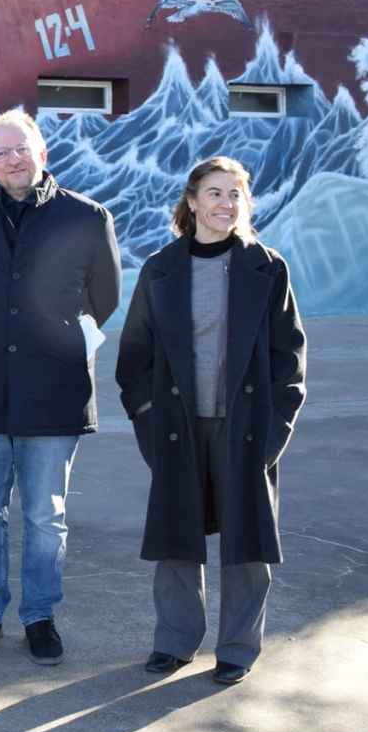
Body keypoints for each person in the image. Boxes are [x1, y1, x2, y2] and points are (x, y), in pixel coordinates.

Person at [0, 109, 121, 665]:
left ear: (43, 151)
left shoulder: (88, 218)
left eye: (22, 148)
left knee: (46, 517)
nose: (13, 159)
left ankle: (40, 616)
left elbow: (104, 299)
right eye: (2, 152)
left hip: (54, 393)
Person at [115, 156, 306, 686]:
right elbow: (135, 356)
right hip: (177, 427)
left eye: (236, 194)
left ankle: (238, 649)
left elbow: (289, 359)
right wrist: (149, 419)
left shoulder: (267, 268)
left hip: (246, 430)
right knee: (177, 540)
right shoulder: (161, 268)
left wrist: (274, 433)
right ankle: (174, 643)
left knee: (246, 547)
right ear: (192, 201)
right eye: (215, 193)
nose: (226, 204)